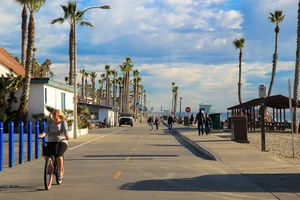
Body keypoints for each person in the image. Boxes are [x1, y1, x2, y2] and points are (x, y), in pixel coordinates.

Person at [38, 109, 69, 182]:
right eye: (53, 113)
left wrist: (67, 136)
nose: (53, 115)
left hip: (61, 141)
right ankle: (50, 165)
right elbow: (45, 132)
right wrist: (41, 136)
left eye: (55, 113)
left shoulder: (63, 122)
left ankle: (60, 172)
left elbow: (65, 131)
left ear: (59, 114)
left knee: (59, 155)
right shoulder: (49, 122)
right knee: (46, 154)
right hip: (51, 141)